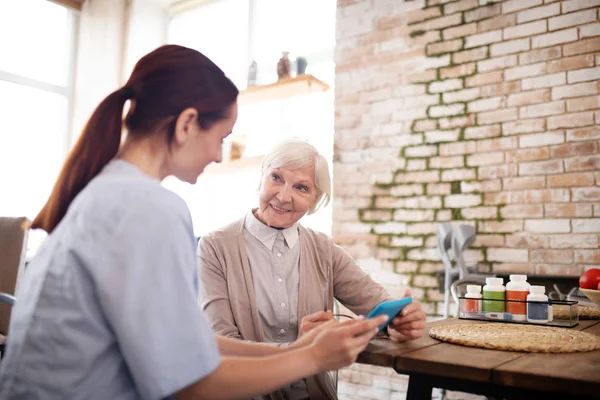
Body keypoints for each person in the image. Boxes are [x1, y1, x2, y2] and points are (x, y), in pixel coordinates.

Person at [0, 45, 388, 400]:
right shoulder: (150, 208)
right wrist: (313, 359)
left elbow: (187, 341)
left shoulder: (108, 192)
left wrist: (296, 349)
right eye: (221, 137)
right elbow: (187, 384)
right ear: (187, 124)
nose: (220, 156)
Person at [197, 139, 427, 400]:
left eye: (301, 187)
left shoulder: (323, 249)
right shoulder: (215, 247)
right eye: (276, 178)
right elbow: (222, 344)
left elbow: (378, 305)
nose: (283, 196)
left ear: (315, 200)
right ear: (262, 176)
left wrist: (400, 322)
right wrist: (301, 348)